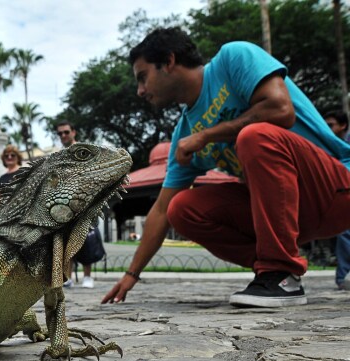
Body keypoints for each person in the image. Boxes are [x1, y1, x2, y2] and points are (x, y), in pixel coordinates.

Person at [102, 27, 350, 308]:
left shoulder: (233, 57)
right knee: (181, 208)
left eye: (143, 77)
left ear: (168, 62)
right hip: (287, 216)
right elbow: (160, 209)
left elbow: (280, 109)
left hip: (336, 189)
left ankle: (279, 271)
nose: (140, 90)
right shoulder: (184, 133)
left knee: (255, 137)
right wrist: (131, 274)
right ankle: (276, 270)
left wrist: (206, 135)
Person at [56, 121, 95, 289]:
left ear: (73, 132)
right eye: (60, 133)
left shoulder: (84, 151)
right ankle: (68, 277)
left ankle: (88, 277)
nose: (63, 136)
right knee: (66, 241)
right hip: (66, 203)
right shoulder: (60, 154)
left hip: (84, 200)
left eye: (66, 132)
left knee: (87, 239)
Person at [324, 110, 350, 290]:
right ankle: (343, 276)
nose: (328, 129)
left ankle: (343, 276)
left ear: (343, 126)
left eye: (331, 125)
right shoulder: (330, 145)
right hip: (340, 192)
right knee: (344, 232)